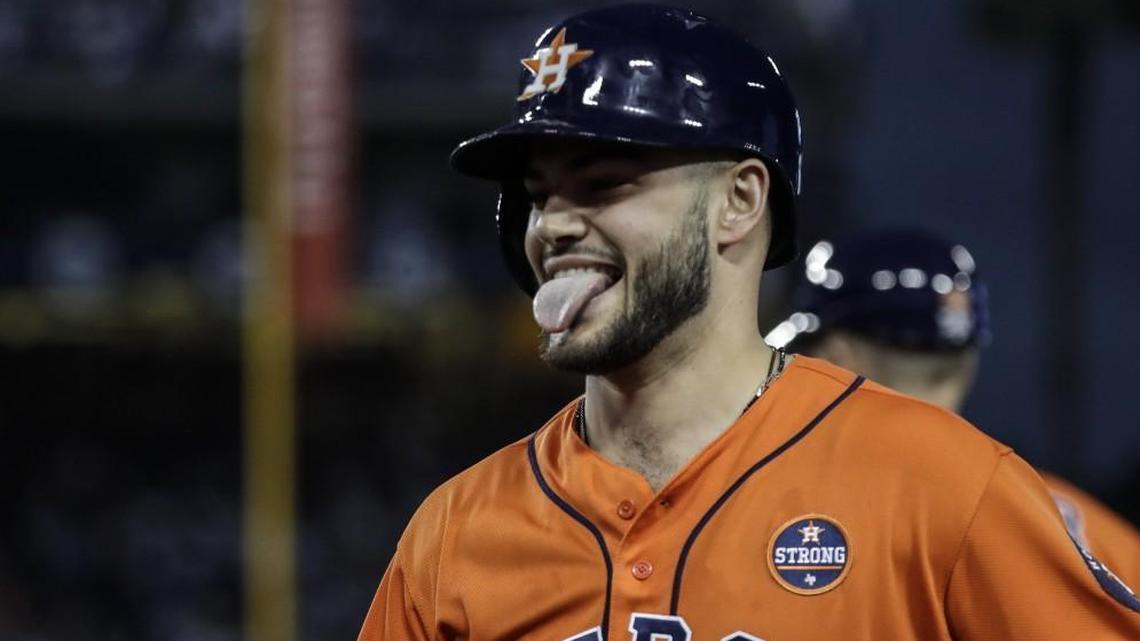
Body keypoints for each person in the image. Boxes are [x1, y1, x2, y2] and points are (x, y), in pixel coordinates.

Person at [358, 5, 1140, 640]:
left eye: (602, 183)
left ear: (739, 202)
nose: (553, 225)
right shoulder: (454, 535)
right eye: (538, 195)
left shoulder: (942, 487)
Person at [766, 227, 1140, 585]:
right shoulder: (1076, 523)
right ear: (969, 368)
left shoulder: (792, 518)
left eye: (805, 354)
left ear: (835, 359)